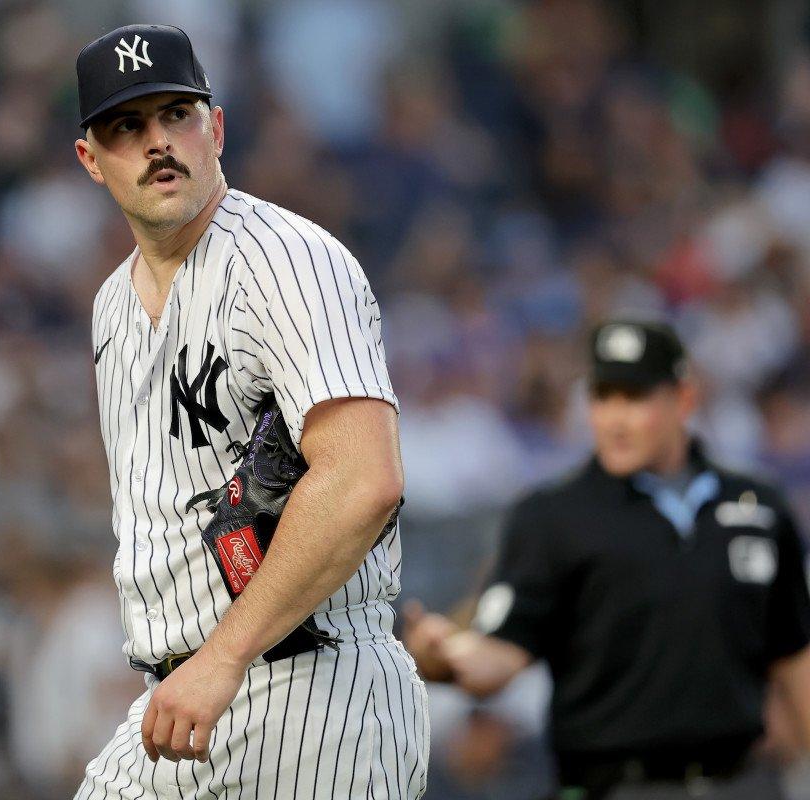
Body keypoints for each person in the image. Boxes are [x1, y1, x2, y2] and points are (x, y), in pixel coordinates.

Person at [71, 23, 428, 800]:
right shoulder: (110, 307)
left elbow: (364, 478)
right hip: (180, 703)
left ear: (217, 127)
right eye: (127, 126)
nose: (158, 142)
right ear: (91, 160)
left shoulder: (287, 261)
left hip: (311, 690)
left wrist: (223, 655)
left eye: (177, 115)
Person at [406, 319, 810, 800]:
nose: (613, 418)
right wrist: (445, 658)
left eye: (634, 398)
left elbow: (794, 653)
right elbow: (502, 647)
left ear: (683, 399)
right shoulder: (553, 515)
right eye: (603, 397)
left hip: (744, 782)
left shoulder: (758, 506)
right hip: (613, 785)